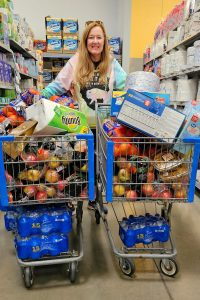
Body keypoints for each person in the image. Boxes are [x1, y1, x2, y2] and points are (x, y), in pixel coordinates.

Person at [42, 21, 127, 210]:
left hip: (106, 127)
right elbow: (58, 84)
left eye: (99, 37)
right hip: (82, 127)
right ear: (85, 40)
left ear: (104, 41)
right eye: (91, 37)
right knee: (82, 166)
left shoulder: (113, 64)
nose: (95, 41)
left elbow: (123, 88)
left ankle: (95, 198)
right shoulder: (76, 61)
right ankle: (82, 196)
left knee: (102, 166)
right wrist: (41, 95)